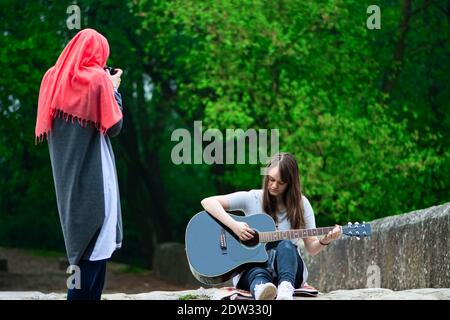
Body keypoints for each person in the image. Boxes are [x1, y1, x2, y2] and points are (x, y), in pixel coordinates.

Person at [35, 28, 124, 300]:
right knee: (95, 252)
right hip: (97, 181)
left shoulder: (52, 79)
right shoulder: (98, 80)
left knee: (85, 253)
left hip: (68, 182)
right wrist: (114, 90)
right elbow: (115, 126)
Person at [200, 152, 341, 300]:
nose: (274, 186)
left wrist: (326, 240)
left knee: (286, 245)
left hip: (289, 269)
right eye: (271, 180)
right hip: (253, 269)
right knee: (256, 268)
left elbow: (312, 247)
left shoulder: (302, 204)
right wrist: (234, 225)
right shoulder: (253, 198)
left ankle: (285, 289)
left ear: (291, 183)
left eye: (281, 183)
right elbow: (208, 202)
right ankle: (261, 289)